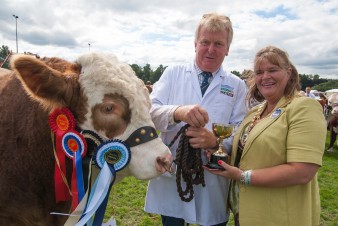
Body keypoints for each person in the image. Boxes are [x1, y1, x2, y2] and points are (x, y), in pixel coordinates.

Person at [204, 45, 326, 226]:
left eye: (273, 70)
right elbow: (250, 155)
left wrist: (241, 176)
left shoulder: (303, 107)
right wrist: (222, 157)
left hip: (280, 216)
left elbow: (302, 172)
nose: (265, 77)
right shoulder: (255, 111)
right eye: (259, 72)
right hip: (245, 213)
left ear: (288, 72)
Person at [144, 13, 248, 226]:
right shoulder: (173, 73)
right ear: (195, 44)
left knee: (212, 220)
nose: (211, 49)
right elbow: (149, 113)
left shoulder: (236, 85)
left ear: (228, 48)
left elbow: (242, 130)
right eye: (205, 42)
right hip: (173, 173)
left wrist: (215, 142)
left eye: (219, 43)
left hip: (213, 177)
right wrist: (177, 112)